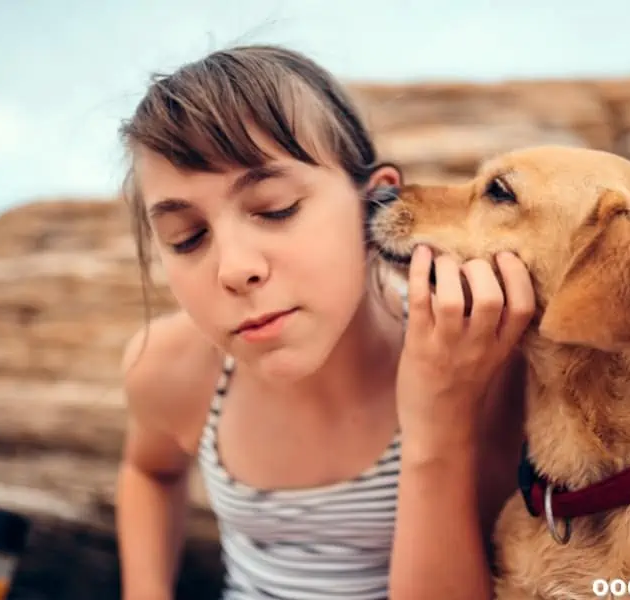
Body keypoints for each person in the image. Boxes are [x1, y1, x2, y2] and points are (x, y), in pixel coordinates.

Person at [114, 44, 535, 600]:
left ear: (376, 203)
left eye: (276, 208)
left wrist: (438, 425)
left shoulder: (481, 366)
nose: (236, 269)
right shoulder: (171, 368)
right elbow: (150, 472)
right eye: (187, 238)